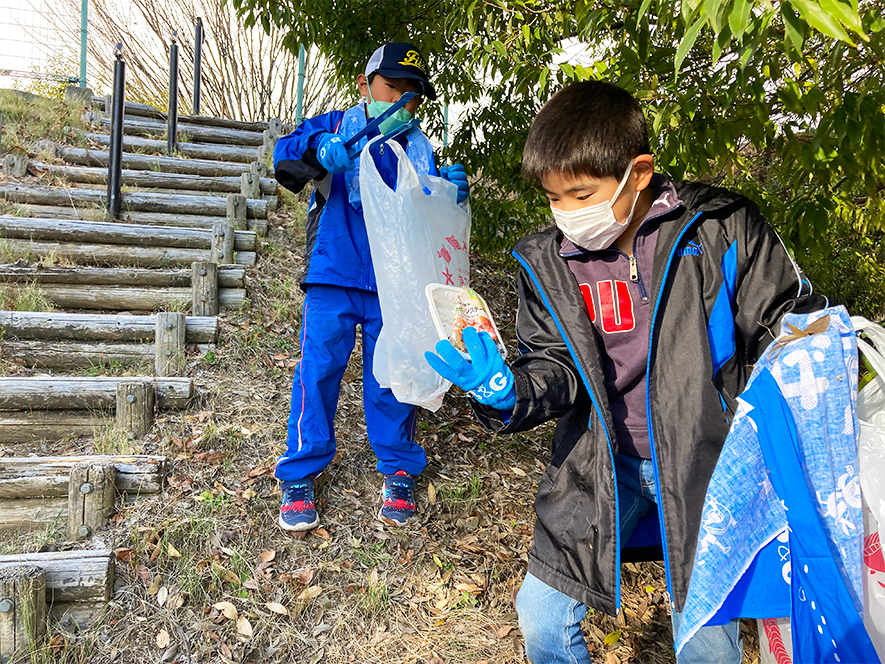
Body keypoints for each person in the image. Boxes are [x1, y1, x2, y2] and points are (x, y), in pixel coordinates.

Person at [425, 81, 826, 662]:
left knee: (706, 644)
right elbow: (553, 363)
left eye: (580, 195)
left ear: (638, 173)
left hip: (705, 465)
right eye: (552, 198)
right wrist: (505, 390)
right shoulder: (546, 261)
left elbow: (787, 322)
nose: (565, 215)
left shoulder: (718, 228)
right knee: (540, 615)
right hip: (601, 461)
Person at [272, 41, 470, 532]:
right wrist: (319, 150)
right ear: (364, 86)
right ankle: (300, 472)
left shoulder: (417, 148)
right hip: (333, 272)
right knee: (318, 370)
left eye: (413, 94)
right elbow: (285, 157)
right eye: (393, 87)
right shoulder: (336, 126)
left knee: (392, 375)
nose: (402, 100)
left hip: (394, 285)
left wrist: (447, 190)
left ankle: (399, 467)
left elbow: (426, 222)